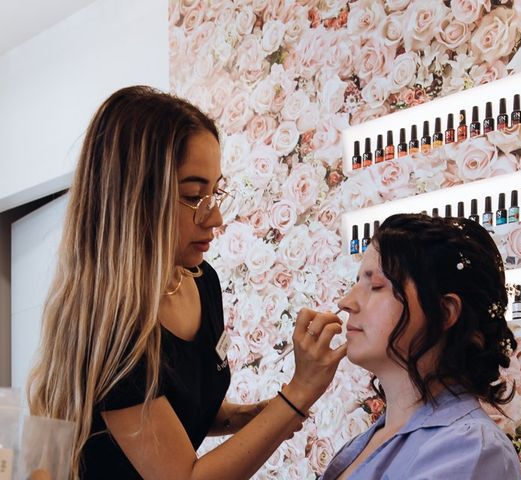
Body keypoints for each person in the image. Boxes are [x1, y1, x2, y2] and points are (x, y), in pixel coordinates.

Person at [27, 86, 346, 480]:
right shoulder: (111, 327)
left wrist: (253, 416)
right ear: (135, 198)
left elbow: (184, 407)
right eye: (194, 196)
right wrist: (297, 393)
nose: (214, 218)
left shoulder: (201, 281)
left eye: (216, 192)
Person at [323, 213, 521, 480]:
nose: (346, 301)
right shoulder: (366, 441)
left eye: (377, 286)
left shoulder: (471, 450)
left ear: (444, 312)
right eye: (356, 283)